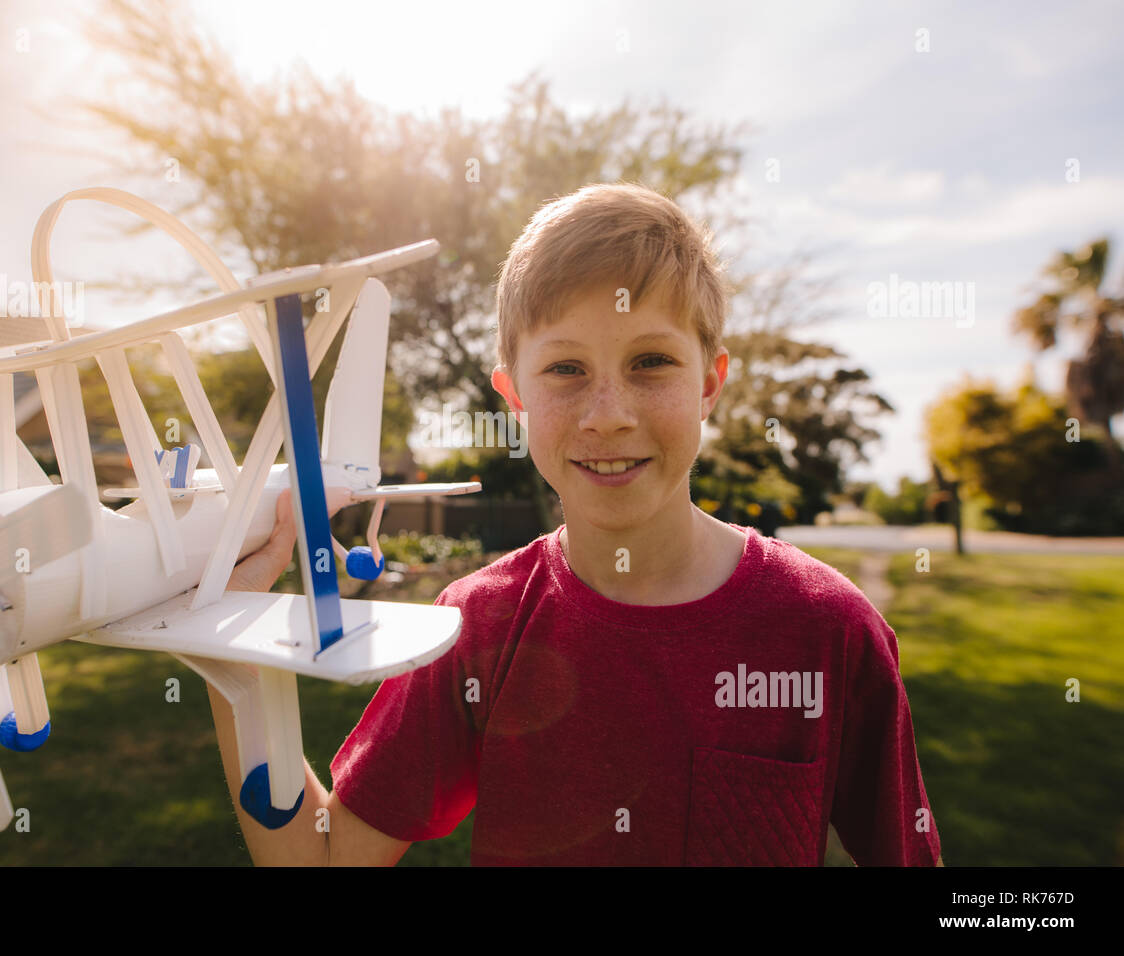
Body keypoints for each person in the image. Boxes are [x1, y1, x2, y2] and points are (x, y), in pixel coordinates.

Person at [215, 182, 943, 866]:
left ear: (710, 384)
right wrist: (230, 656)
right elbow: (323, 854)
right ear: (515, 396)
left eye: (651, 362)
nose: (609, 415)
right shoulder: (475, 627)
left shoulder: (828, 629)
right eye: (565, 370)